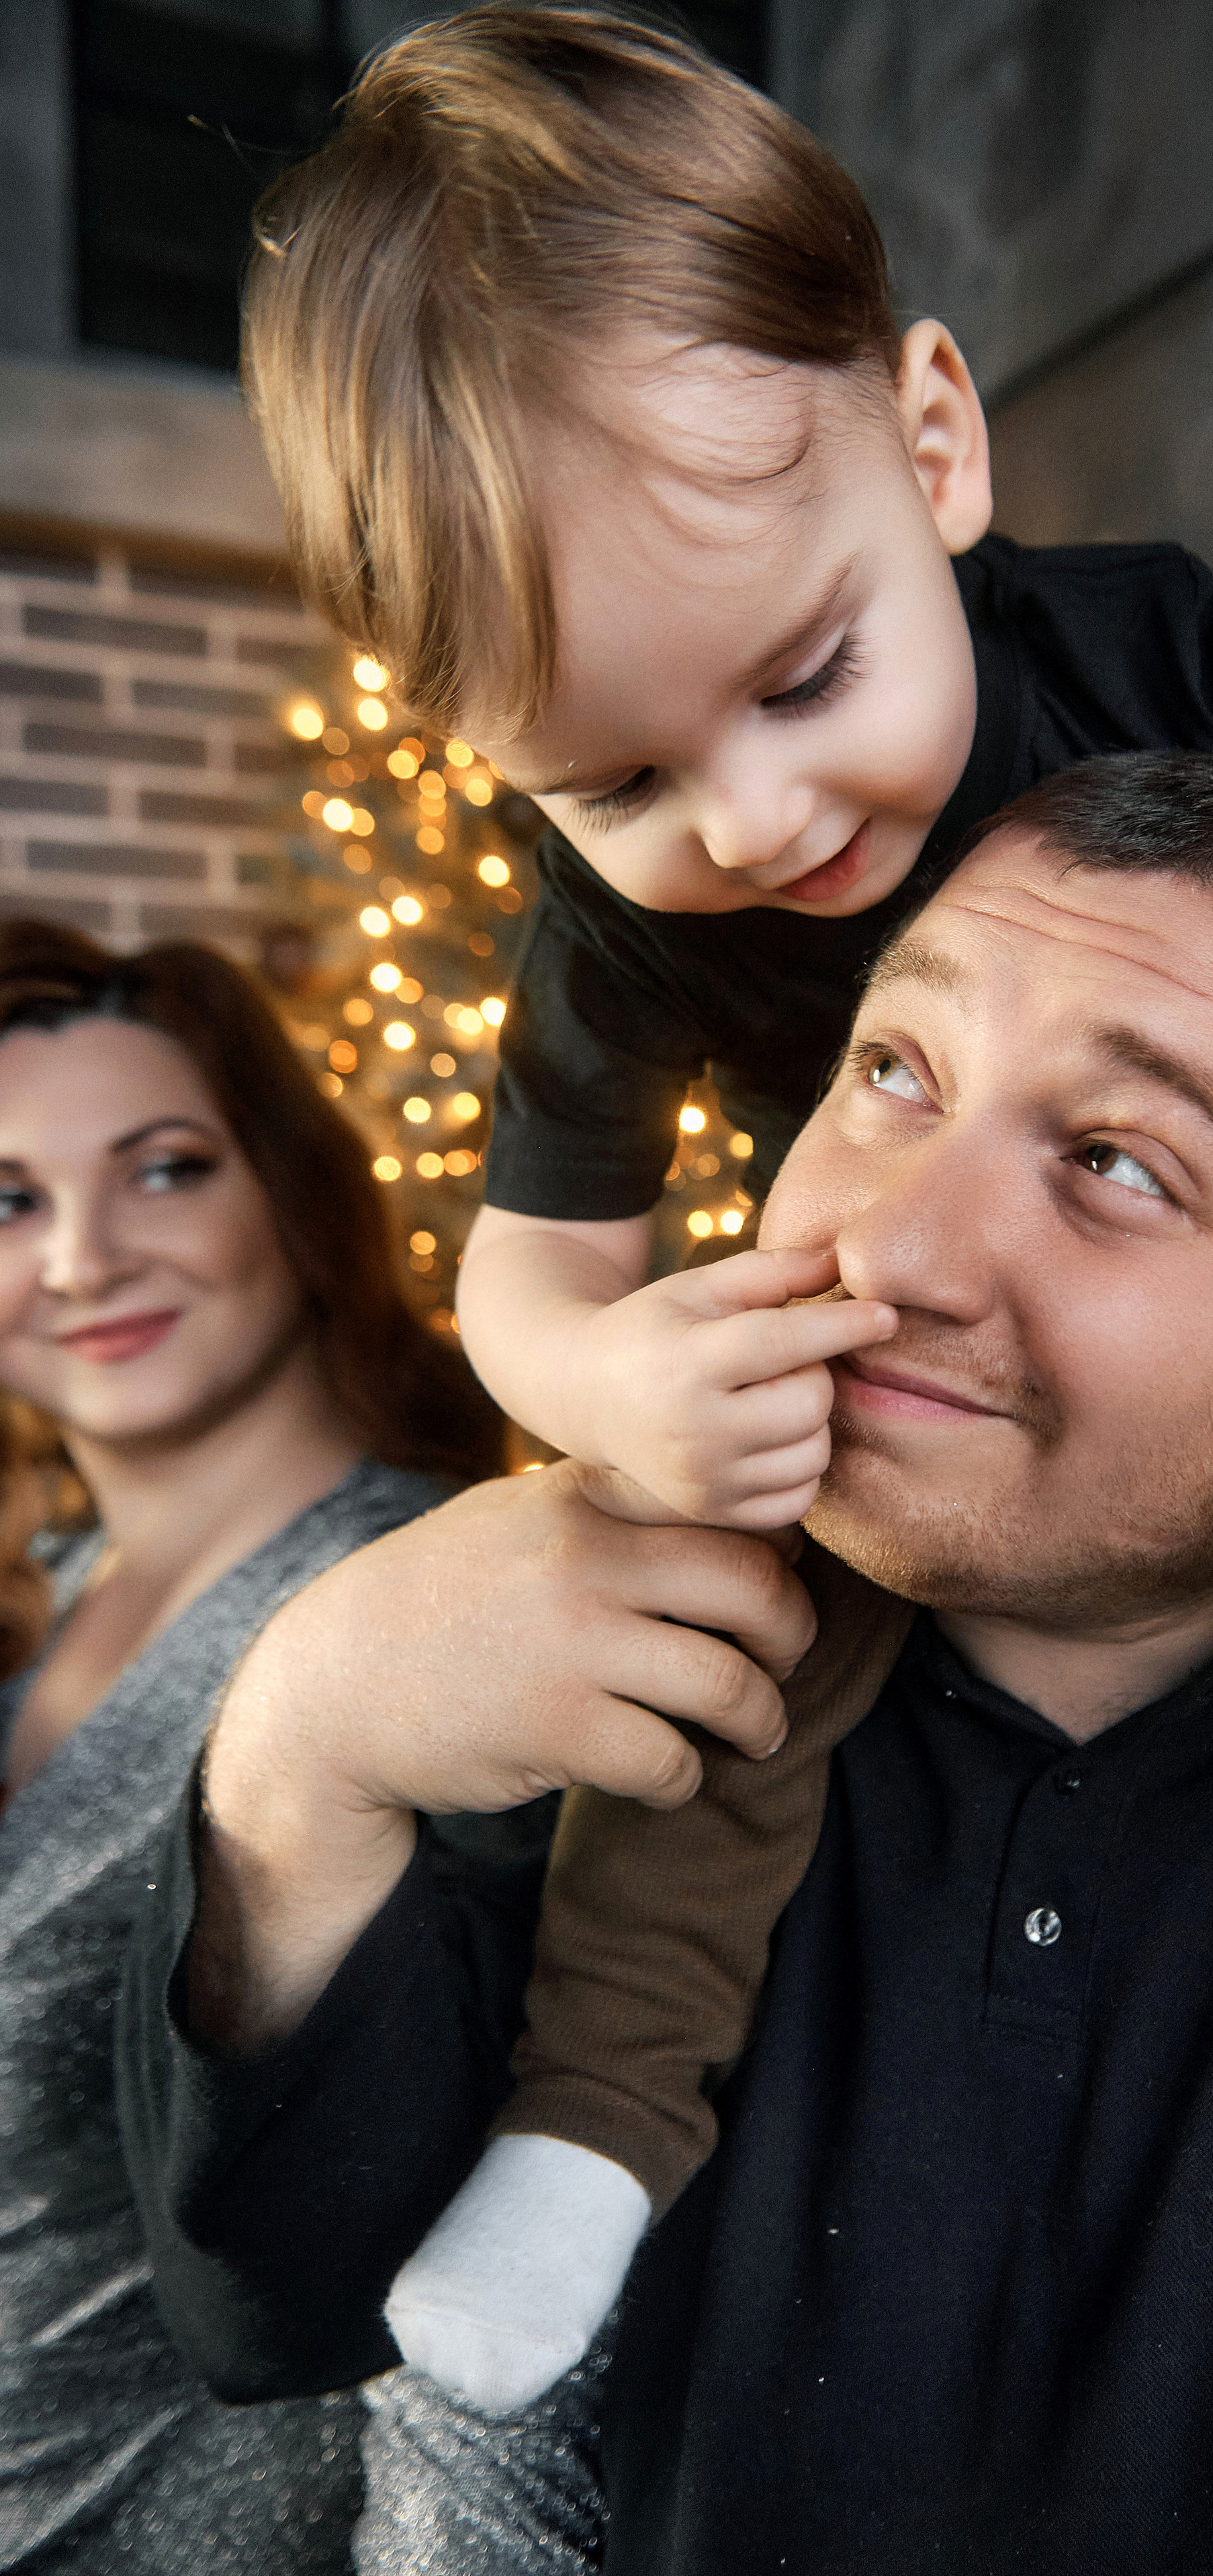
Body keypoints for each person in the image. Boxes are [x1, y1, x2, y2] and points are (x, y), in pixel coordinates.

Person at [237, 3, 1213, 2392]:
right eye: (619, 778)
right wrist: (626, 1389)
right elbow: (533, 1270)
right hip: (883, 1411)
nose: (759, 821)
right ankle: (593, 2141)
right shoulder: (616, 910)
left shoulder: (1149, 649)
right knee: (728, 1677)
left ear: (934, 441)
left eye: (810, 674)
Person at [120, 761, 1213, 2572]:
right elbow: (277, 2316)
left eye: (1117, 1160)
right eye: (896, 1074)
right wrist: (301, 1746)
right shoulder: (606, 1642)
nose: (892, 1245)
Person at [0, 922, 508, 2572]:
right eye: (8, 1201)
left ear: (290, 1194)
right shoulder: (50, 1593)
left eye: (161, 1171)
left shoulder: (435, 1612)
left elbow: (488, 2320)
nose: (79, 1257)